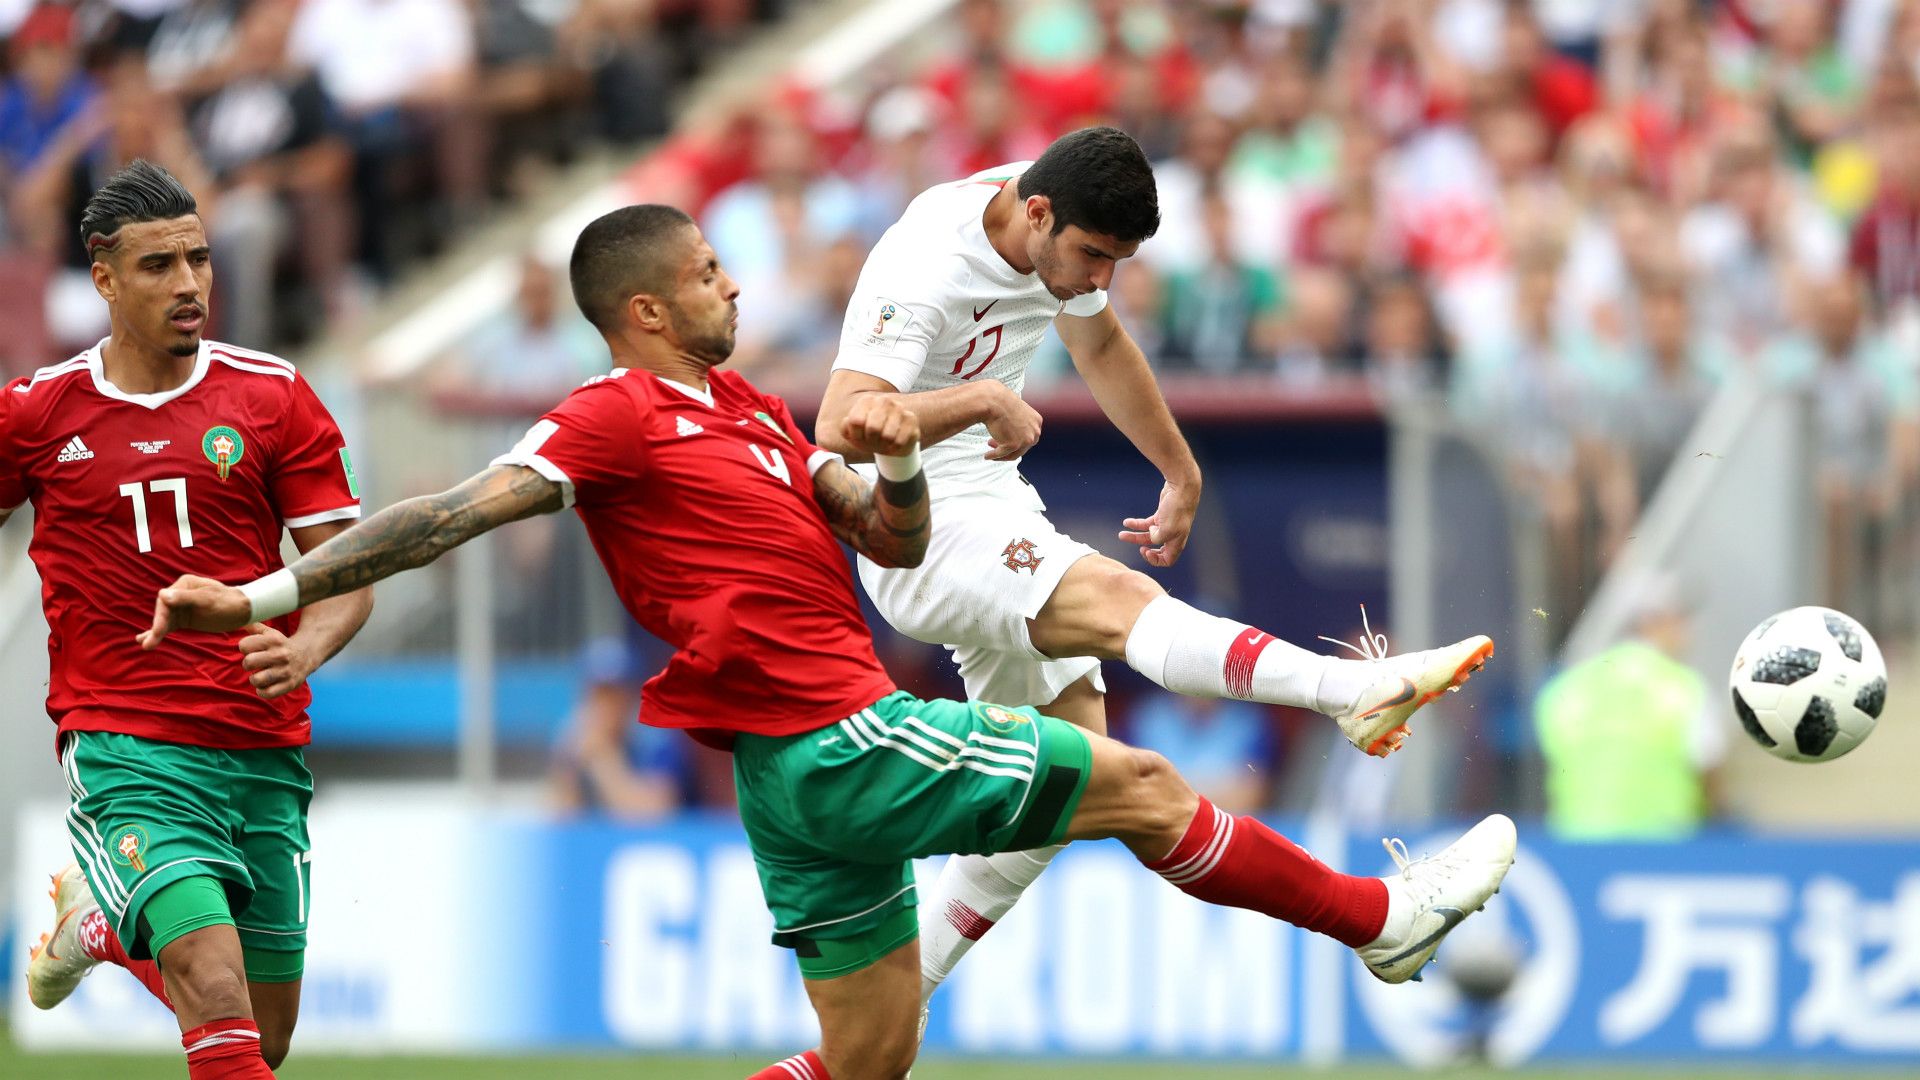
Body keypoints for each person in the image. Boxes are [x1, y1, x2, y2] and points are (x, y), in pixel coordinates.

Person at [140, 206, 1517, 1080]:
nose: (731, 285)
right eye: (706, 273)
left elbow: (892, 543)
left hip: (803, 778)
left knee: (865, 1063)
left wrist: (908, 450)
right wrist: (262, 599)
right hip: (833, 735)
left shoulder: (751, 413)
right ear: (646, 312)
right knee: (1141, 784)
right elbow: (448, 514)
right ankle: (1382, 927)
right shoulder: (614, 416)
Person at [814, 125, 1496, 1006]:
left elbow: (1098, 346)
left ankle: (900, 991)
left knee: (1075, 773)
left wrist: (1179, 466)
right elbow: (840, 418)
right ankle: (1346, 690)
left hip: (989, 504)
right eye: (1093, 255)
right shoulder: (927, 263)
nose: (1100, 279)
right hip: (913, 529)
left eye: (1118, 263)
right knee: (1117, 596)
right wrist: (982, 397)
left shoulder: (1057, 238)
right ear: (1038, 211)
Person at [9, 159, 372, 1079]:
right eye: (158, 267)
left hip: (261, 743)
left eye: (199, 261)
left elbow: (351, 572)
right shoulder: (38, 414)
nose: (189, 286)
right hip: (128, 743)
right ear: (102, 277)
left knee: (264, 1035)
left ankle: (93, 927)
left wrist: (309, 650)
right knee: (213, 991)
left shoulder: (271, 396)